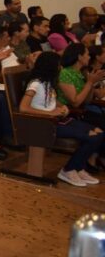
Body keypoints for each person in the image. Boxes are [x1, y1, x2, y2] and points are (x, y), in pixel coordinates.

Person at [21, 52, 104, 187]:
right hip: (45, 123)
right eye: (58, 65)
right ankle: (69, 169)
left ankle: (78, 167)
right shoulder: (35, 84)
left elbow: (50, 101)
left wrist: (61, 107)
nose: (60, 68)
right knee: (92, 136)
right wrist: (50, 113)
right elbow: (23, 108)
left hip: (57, 119)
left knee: (99, 132)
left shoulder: (49, 82)